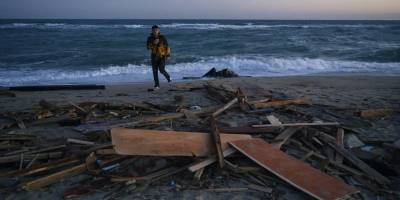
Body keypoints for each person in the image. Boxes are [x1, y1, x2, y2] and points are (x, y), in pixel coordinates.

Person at [146, 25, 171, 90]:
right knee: (155, 71)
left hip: (162, 56)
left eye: (156, 30)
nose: (155, 31)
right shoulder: (150, 38)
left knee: (162, 70)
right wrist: (154, 43)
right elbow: (148, 48)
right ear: (152, 31)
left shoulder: (162, 37)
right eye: (154, 30)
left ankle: (168, 77)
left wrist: (168, 55)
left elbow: (167, 46)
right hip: (154, 56)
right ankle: (157, 85)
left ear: (159, 30)